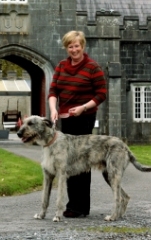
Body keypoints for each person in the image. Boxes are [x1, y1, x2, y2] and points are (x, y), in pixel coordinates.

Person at [48, 30, 107, 218]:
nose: (74, 49)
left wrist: (83, 107)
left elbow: (101, 94)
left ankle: (81, 207)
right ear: (67, 48)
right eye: (70, 46)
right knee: (68, 162)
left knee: (81, 162)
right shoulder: (61, 66)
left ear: (83, 46)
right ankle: (72, 205)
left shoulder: (92, 67)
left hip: (84, 118)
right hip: (65, 118)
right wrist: (53, 109)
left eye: (76, 45)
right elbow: (53, 91)